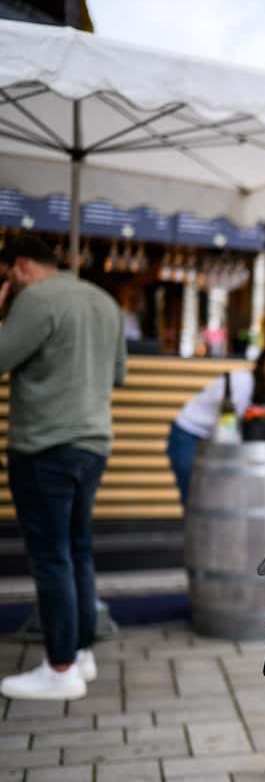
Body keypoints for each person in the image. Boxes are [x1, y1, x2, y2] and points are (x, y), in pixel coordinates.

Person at [0, 235, 126, 701]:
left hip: (44, 445)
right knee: (77, 549)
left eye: (8, 271)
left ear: (23, 265)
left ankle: (59, 668)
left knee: (51, 556)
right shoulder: (104, 299)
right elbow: (118, 374)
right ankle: (81, 651)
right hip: (92, 444)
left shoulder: (34, 298)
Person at [167, 343, 265, 505]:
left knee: (209, 498)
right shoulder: (242, 383)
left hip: (210, 439)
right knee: (194, 497)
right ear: (263, 363)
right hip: (188, 433)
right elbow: (229, 429)